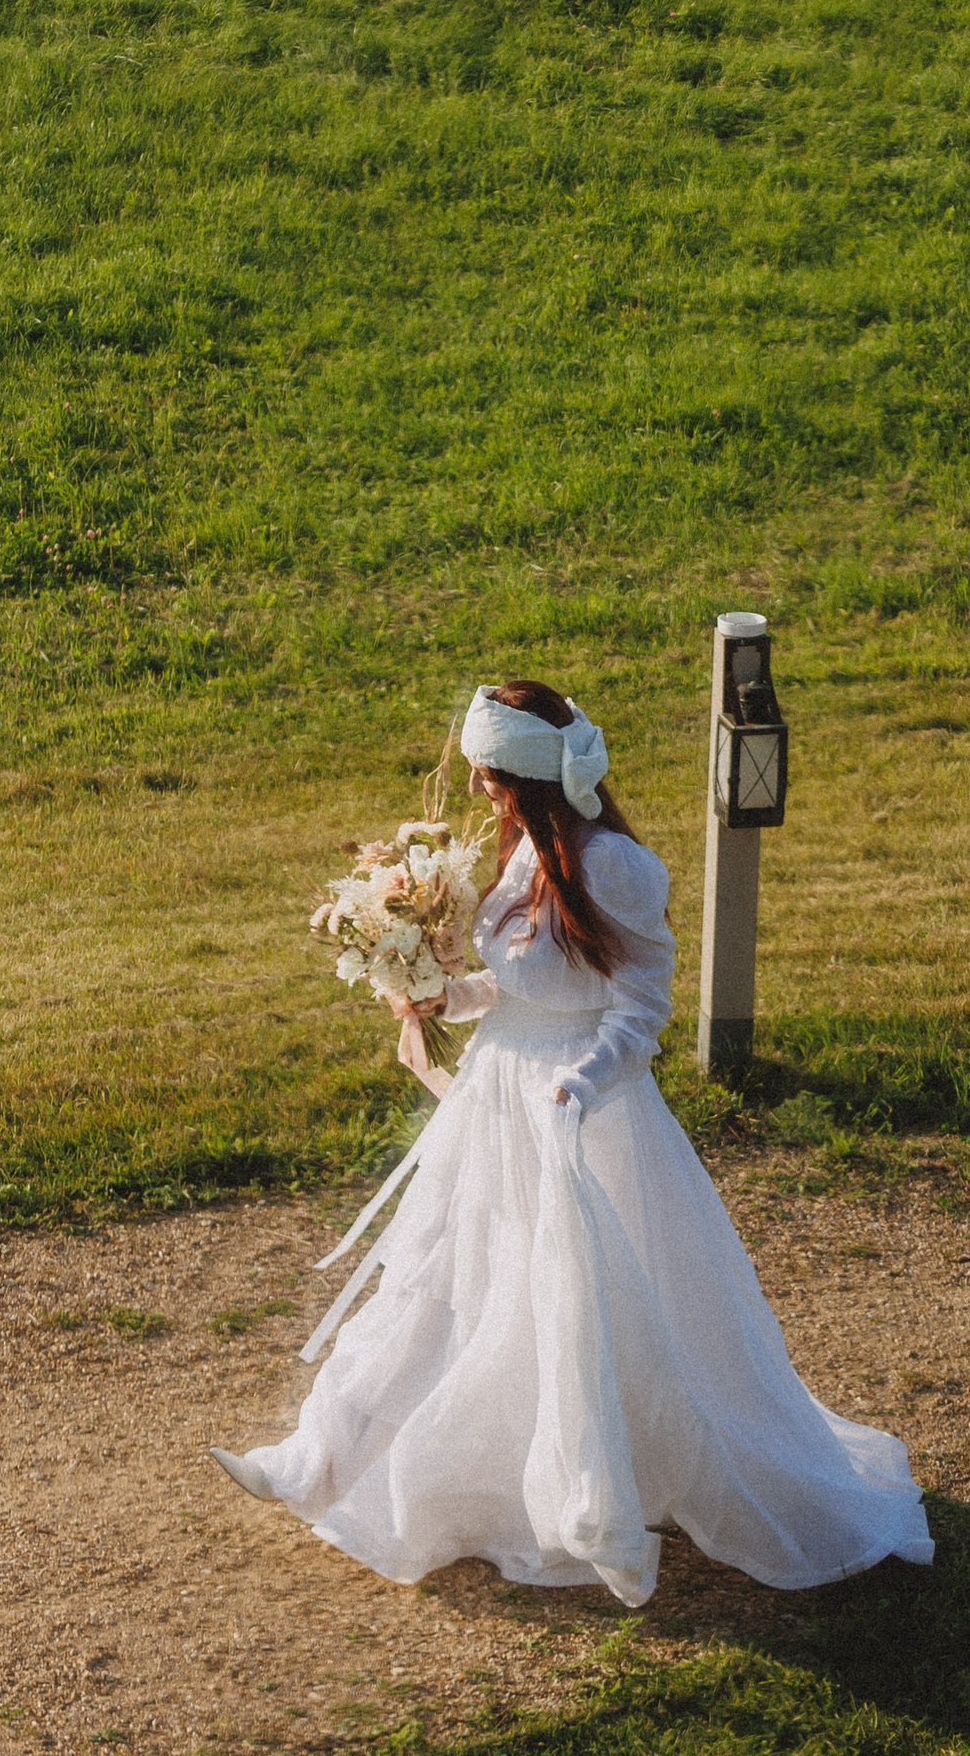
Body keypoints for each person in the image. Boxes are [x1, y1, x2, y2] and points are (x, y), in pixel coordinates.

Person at [214, 678, 933, 1603]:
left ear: (525, 778)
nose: (475, 791)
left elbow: (640, 1008)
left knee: (578, 1300)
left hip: (580, 1115)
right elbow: (520, 989)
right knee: (440, 1277)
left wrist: (581, 1084)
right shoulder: (520, 856)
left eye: (486, 775)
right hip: (495, 1096)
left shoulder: (617, 868)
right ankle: (314, 1460)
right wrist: (446, 996)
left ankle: (592, 1487)